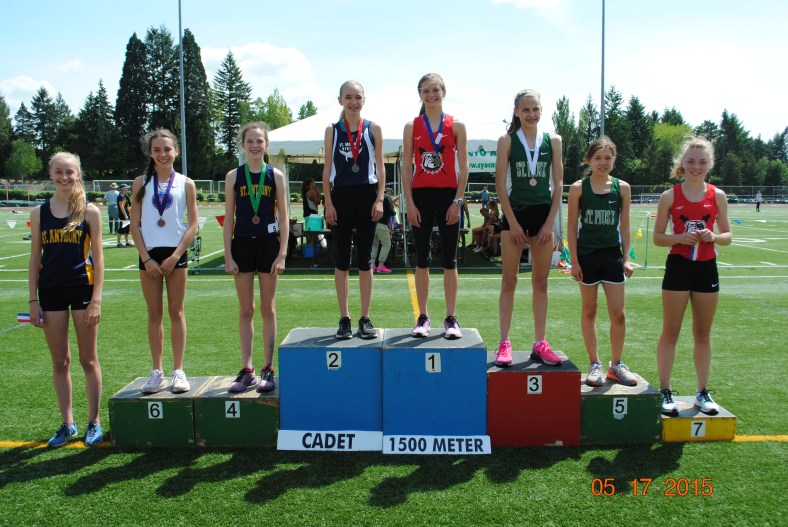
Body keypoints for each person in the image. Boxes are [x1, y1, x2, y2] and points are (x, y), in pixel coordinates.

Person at [28, 152, 104, 447]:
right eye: (59, 172)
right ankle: (67, 423)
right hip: (50, 292)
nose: (64, 177)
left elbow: (98, 260)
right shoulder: (39, 213)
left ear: (78, 174)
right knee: (60, 361)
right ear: (51, 175)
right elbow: (35, 259)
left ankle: (94, 422)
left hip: (82, 289)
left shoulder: (90, 211)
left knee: (88, 359)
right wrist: (33, 301)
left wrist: (96, 299)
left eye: (69, 172)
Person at [654, 136, 732, 416]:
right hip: (678, 267)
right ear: (681, 164)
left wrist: (713, 236)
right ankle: (666, 391)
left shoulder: (718, 196)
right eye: (690, 161)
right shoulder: (670, 196)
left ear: (709, 164)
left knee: (702, 333)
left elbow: (727, 235)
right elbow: (658, 238)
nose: (696, 166)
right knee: (671, 332)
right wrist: (681, 237)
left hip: (706, 269)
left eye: (701, 161)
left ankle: (702, 391)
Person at [494, 89, 564, 367]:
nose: (531, 115)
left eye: (535, 109)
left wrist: (549, 222)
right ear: (516, 112)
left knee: (540, 282)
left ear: (541, 111)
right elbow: (500, 185)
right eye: (525, 110)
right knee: (509, 281)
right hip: (515, 214)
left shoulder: (554, 140)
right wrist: (511, 222)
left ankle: (539, 342)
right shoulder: (507, 141)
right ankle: (504, 342)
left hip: (543, 217)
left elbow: (558, 185)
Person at [130, 129, 199, 394]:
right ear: (150, 153)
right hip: (148, 256)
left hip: (175, 254)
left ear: (176, 152)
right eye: (157, 150)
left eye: (167, 149)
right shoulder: (141, 182)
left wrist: (175, 256)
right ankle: (157, 372)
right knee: (154, 312)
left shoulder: (186, 183)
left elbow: (192, 225)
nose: (162, 154)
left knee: (176, 312)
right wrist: (146, 258)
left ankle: (178, 370)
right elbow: (134, 225)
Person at [401, 73, 469, 339]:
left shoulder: (457, 125)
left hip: (449, 197)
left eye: (435, 90)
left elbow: (464, 167)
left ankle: (451, 318)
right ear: (420, 94)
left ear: (444, 92)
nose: (431, 95)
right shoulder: (412, 126)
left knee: (450, 260)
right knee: (422, 260)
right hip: (421, 197)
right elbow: (407, 167)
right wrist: (409, 203)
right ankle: (423, 316)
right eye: (426, 91)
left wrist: (458, 201)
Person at [567, 137, 637, 387]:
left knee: (618, 313)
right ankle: (594, 363)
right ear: (588, 160)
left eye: (608, 158)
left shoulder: (623, 187)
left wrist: (627, 257)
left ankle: (616, 364)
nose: (603, 163)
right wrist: (574, 261)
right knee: (589, 310)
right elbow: (572, 227)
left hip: (612, 256)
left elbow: (625, 225)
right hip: (587, 257)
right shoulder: (578, 188)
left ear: (614, 160)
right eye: (598, 158)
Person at [223, 122, 288, 393]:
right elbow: (229, 218)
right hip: (242, 245)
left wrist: (282, 253)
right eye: (250, 141)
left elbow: (283, 216)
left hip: (268, 245)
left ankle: (267, 368)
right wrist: (228, 255)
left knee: (267, 308)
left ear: (266, 145)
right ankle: (247, 369)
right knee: (246, 309)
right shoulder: (233, 176)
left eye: (259, 141)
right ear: (242, 145)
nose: (254, 145)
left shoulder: (276, 175)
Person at [322, 80, 385, 339]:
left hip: (367, 195)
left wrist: (380, 199)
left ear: (364, 99)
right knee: (342, 260)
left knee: (365, 259)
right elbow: (326, 169)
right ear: (340, 100)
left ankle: (365, 318)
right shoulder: (333, 130)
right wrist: (328, 202)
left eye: (357, 97)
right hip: (342, 197)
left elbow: (380, 167)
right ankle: (345, 318)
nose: (353, 101)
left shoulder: (373, 128)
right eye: (348, 97)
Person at [371, 188, 395, 273]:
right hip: (382, 223)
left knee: (374, 244)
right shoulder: (386, 197)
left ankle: (372, 265)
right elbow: (391, 211)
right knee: (386, 244)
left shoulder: (372, 196)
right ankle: (380, 265)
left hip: (373, 223)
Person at [301, 177, 322, 246]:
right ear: (310, 183)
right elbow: (317, 202)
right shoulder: (311, 191)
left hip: (307, 214)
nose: (314, 184)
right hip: (312, 215)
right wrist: (318, 193)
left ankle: (309, 247)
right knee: (313, 232)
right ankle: (312, 247)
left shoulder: (305, 191)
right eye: (314, 182)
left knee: (308, 231)